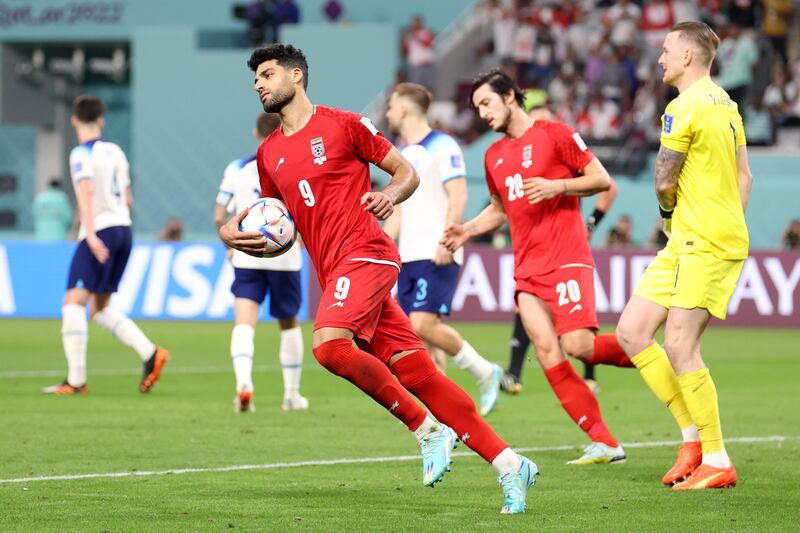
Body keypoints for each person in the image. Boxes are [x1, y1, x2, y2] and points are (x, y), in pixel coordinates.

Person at [219, 44, 536, 514]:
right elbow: (275, 218)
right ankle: (511, 465)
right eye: (256, 79)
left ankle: (425, 428)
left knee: (329, 344)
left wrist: (390, 195)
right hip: (333, 271)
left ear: (297, 75)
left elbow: (404, 172)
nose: (259, 84)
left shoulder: (343, 125)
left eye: (267, 74)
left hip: (368, 253)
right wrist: (232, 232)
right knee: (419, 373)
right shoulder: (268, 156)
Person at [441, 69, 637, 465]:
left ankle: (650, 352)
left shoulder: (555, 134)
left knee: (579, 346)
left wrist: (558, 186)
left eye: (487, 103)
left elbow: (601, 179)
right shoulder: (494, 155)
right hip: (527, 269)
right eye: (477, 107)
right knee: (547, 351)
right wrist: (468, 230)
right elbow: (500, 208)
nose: (482, 113)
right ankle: (605, 441)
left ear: (510, 96)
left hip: (566, 258)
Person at [615, 22, 753, 490]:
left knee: (679, 345)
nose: (660, 58)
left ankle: (717, 459)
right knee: (632, 331)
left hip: (702, 240)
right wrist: (726, 220)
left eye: (667, 50)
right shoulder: (727, 104)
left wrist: (669, 215)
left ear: (689, 58)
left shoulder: (683, 107)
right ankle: (692, 438)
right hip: (692, 240)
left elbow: (664, 179)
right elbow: (745, 178)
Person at [382, 82, 504, 416]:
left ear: (405, 108)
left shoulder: (442, 144)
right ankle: (444, 416)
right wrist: (382, 246)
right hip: (408, 255)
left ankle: (485, 371)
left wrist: (447, 241)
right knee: (420, 342)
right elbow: (401, 211)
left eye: (392, 105)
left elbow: (459, 194)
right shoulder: (403, 153)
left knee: (422, 324)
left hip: (437, 250)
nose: (389, 111)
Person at [43, 95, 168, 395]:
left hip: (100, 230)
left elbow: (85, 193)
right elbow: (128, 198)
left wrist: (90, 233)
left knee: (72, 303)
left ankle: (76, 380)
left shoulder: (80, 154)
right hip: (124, 229)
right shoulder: (115, 151)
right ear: (101, 121)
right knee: (99, 307)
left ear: (75, 120)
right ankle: (151, 353)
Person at [501, 106, 620, 396]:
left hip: (566, 249)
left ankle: (594, 371)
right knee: (528, 309)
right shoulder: (518, 155)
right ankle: (514, 373)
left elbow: (608, 186)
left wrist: (591, 223)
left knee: (577, 332)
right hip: (533, 253)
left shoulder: (563, 146)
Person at [214, 112, 308, 413]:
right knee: (289, 323)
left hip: (247, 253)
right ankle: (291, 395)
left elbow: (219, 214)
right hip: (285, 255)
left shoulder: (236, 169)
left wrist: (230, 246)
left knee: (244, 322)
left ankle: (244, 384)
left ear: (256, 135)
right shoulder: (294, 164)